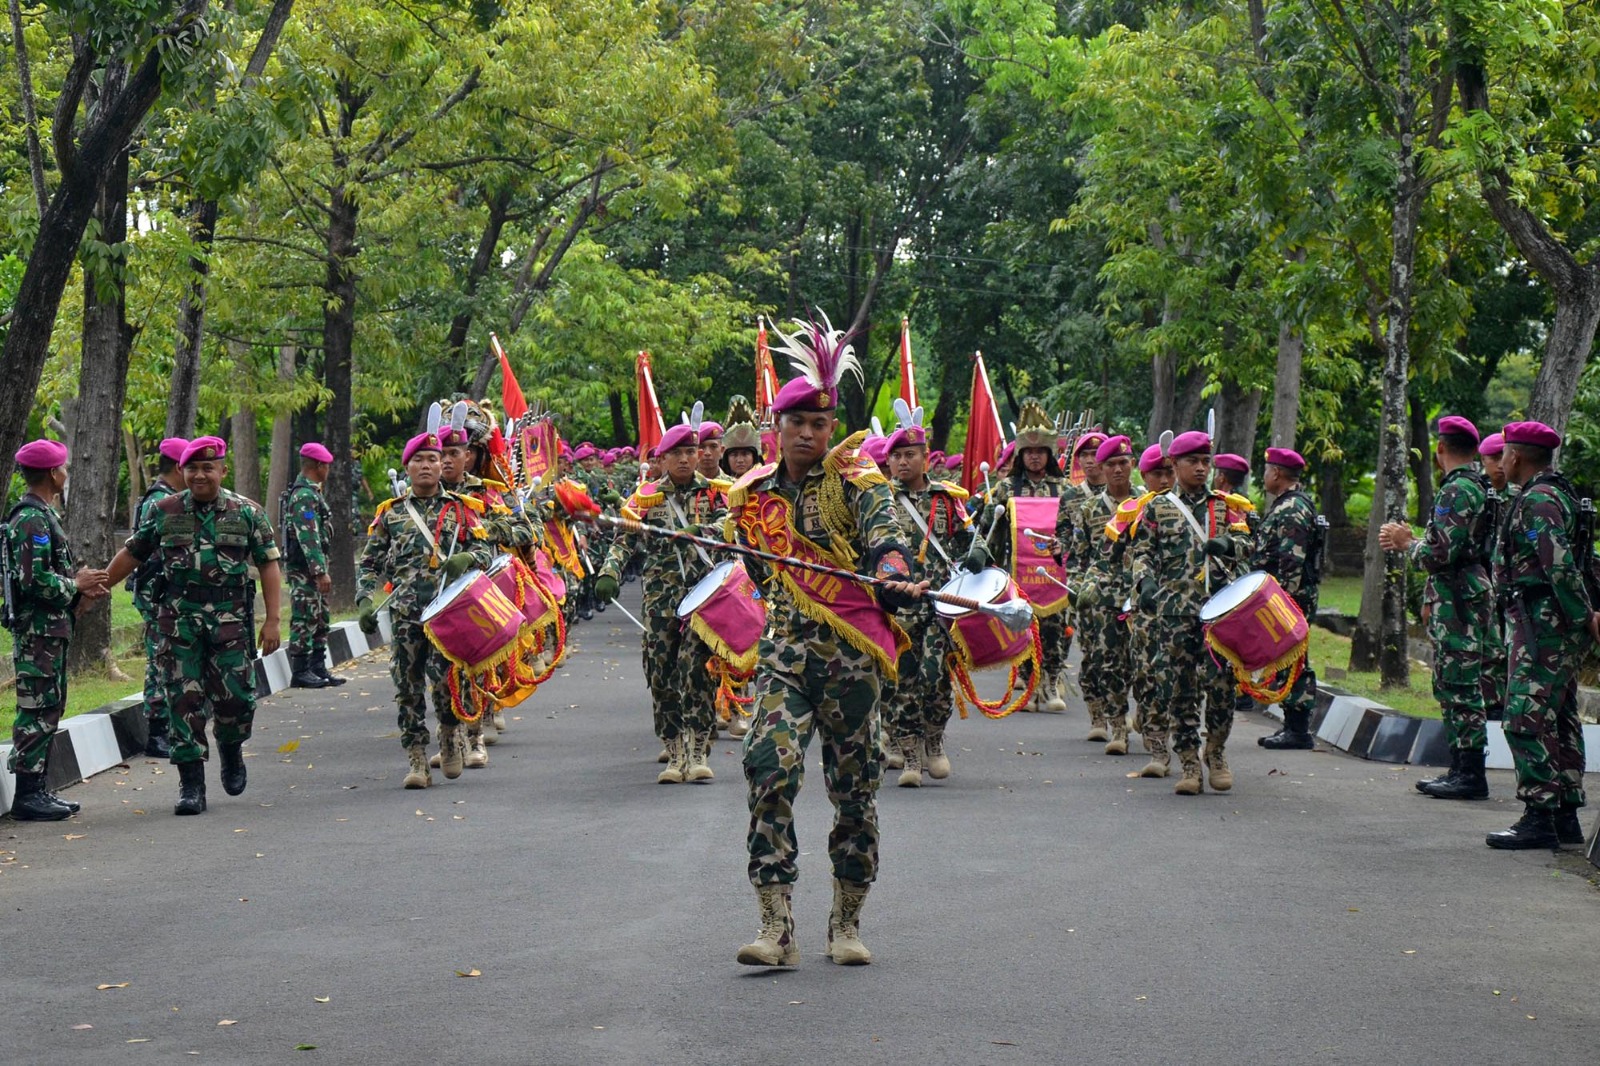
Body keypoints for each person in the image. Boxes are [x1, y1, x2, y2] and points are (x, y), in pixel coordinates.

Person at [731, 315, 923, 968]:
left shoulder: (855, 478)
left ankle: (846, 922)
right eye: (798, 423)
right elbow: (759, 575)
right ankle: (776, 926)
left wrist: (891, 571)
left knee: (855, 791)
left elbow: (885, 532)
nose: (810, 433)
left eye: (820, 423)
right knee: (769, 770)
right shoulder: (752, 498)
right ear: (778, 427)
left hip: (851, 664)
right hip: (784, 659)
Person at [103, 437, 282, 816]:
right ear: (182, 471)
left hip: (229, 622)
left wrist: (273, 619)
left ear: (222, 470)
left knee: (236, 699)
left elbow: (268, 563)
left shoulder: (246, 512)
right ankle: (191, 785)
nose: (200, 475)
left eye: (207, 468)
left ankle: (231, 749)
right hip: (178, 621)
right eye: (192, 469)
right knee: (182, 701)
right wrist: (98, 587)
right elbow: (133, 553)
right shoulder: (165, 510)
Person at [356, 431, 493, 789]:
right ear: (408, 467)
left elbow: (487, 552)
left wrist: (467, 557)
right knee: (407, 686)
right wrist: (364, 600)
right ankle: (417, 759)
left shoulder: (461, 509)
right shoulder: (391, 513)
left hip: (447, 613)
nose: (428, 465)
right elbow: (369, 563)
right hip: (406, 615)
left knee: (446, 682)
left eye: (433, 459)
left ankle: (449, 735)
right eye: (419, 460)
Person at [1486, 421, 1597, 849]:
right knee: (1559, 717)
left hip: (1544, 625)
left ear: (1516, 456)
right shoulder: (1553, 493)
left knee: (1523, 717)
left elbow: (1560, 565)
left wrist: (1584, 617)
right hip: (1549, 623)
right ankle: (1564, 814)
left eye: (1504, 453)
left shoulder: (1538, 500)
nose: (1501, 461)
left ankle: (1539, 816)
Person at [597, 418, 727, 783]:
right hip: (660, 600)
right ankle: (674, 749)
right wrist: (609, 572)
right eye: (677, 453)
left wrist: (701, 530)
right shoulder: (646, 496)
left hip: (703, 597)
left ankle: (698, 749)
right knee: (660, 672)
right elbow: (624, 540)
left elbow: (731, 526)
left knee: (697, 669)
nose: (685, 459)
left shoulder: (715, 493)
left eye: (690, 452)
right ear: (663, 458)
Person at [1379, 416, 1495, 801]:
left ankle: (1470, 774)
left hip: (1459, 599)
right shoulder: (1476, 485)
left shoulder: (1457, 489)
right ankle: (1461, 768)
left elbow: (1438, 554)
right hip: (1461, 594)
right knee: (1453, 682)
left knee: (1459, 685)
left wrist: (1406, 542)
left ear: (1440, 448)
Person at [1129, 431, 1251, 795]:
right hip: (1174, 613)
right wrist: (1145, 582)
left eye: (1205, 462)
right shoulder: (1157, 507)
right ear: (1175, 464)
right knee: (1179, 690)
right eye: (1192, 462)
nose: (1200, 468)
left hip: (1219, 613)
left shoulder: (1225, 506)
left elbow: (1248, 541)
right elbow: (1142, 552)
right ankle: (1188, 763)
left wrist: (1229, 543)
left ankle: (1216, 751)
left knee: (1222, 688)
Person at [4, 440, 109, 820]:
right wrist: (74, 584)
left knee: (49, 706)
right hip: (38, 633)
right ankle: (27, 796)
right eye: (63, 467)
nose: (66, 473)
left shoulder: (43, 514)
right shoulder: (31, 520)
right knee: (37, 709)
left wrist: (79, 592)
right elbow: (33, 581)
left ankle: (38, 789)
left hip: (50, 631)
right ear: (53, 473)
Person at [438, 398, 542, 760]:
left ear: (475, 453)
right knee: (443, 666)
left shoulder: (495, 492)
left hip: (487, 583)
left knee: (483, 657)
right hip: (440, 588)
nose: (453, 459)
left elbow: (528, 530)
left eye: (461, 451)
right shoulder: (428, 491)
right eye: (444, 452)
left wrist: (485, 530)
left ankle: (480, 723)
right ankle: (450, 732)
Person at [883, 410, 969, 786]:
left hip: (939, 606)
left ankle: (933, 738)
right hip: (897, 608)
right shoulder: (880, 500)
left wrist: (978, 551)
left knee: (935, 678)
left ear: (925, 456)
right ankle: (910, 755)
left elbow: (967, 538)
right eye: (896, 456)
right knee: (901, 681)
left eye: (910, 454)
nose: (903, 462)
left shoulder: (946, 499)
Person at [976, 399, 1072, 713]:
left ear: (1049, 454)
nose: (1034, 456)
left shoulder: (1064, 489)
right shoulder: (1005, 488)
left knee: (1054, 630)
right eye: (1029, 451)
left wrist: (1066, 548)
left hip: (1054, 573)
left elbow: (1073, 529)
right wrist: (981, 556)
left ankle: (1051, 683)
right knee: (1023, 629)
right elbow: (989, 528)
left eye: (1040, 451)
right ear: (1020, 454)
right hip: (1018, 572)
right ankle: (1029, 685)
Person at [1068, 435, 1137, 753]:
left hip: (1142, 595)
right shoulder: (1090, 509)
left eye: (1123, 463)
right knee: (1106, 662)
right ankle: (1117, 726)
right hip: (1102, 598)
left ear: (1132, 464)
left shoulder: (1148, 504)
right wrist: (1076, 591)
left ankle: (1146, 717)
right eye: (1111, 464)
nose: (1118, 469)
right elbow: (1078, 557)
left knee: (1142, 664)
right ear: (1102, 468)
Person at [1252, 448, 1324, 750]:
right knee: (1287, 659)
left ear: (1277, 473)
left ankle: (1298, 730)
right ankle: (1292, 725)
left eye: (1266, 471)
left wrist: (1282, 603)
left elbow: (1291, 562)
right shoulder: (1288, 504)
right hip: (1285, 596)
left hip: (1289, 598)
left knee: (1294, 659)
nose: (1264, 477)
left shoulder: (1292, 508)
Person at [1113, 443, 1176, 777]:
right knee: (1148, 674)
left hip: (1187, 606)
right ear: (1145, 475)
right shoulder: (1132, 511)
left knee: (1183, 681)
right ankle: (1158, 748)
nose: (1164, 479)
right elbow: (1112, 557)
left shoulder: (1198, 508)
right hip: (1147, 606)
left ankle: (1181, 742)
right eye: (1157, 473)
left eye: (1169, 472)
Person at [129, 437, 188, 756]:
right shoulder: (162, 501)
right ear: (179, 467)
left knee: (165, 655)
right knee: (160, 657)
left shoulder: (163, 496)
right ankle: (157, 732)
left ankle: (165, 727)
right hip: (157, 592)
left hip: (161, 590)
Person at [281, 442, 342, 690]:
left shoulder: (312, 492)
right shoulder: (304, 496)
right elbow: (308, 536)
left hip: (313, 568)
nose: (328, 470)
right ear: (318, 466)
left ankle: (317, 666)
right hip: (304, 570)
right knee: (304, 615)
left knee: (320, 616)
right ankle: (300, 670)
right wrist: (319, 571)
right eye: (326, 466)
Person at [1478, 432, 1509, 724]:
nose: (1499, 464)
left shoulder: (1520, 495)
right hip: (1480, 584)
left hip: (1511, 587)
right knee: (1489, 650)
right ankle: (1492, 706)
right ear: (1483, 460)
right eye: (1493, 458)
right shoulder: (1474, 492)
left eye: (1503, 457)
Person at [720, 396, 762, 481]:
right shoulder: (716, 486)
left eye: (745, 454)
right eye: (734, 454)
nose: (740, 460)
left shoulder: (765, 485)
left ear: (754, 457)